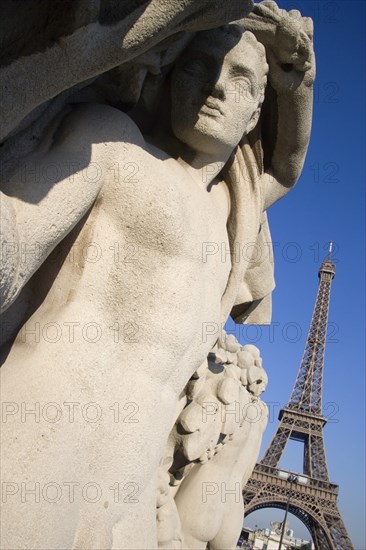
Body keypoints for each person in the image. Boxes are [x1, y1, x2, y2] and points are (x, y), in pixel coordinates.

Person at [0, 3, 315, 549]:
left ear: (255, 109)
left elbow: (286, 168)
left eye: (238, 79)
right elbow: (18, 232)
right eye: (198, 67)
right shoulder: (113, 142)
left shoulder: (231, 213)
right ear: (169, 77)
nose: (215, 89)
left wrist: (299, 80)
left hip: (135, 473)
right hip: (48, 421)